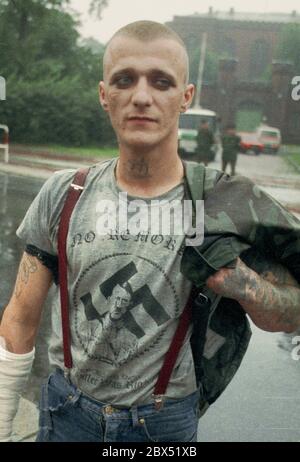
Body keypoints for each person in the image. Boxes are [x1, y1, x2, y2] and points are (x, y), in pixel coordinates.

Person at [0, 20, 300, 443]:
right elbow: (19, 318)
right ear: (105, 95)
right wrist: (4, 420)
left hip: (162, 427)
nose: (142, 96)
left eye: (162, 82)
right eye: (125, 80)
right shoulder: (64, 193)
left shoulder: (224, 202)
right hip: (67, 413)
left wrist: (245, 285)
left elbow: (291, 313)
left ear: (185, 97)